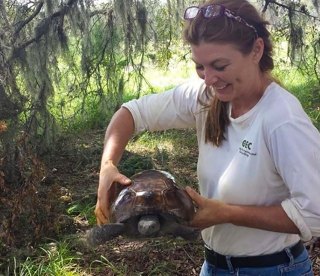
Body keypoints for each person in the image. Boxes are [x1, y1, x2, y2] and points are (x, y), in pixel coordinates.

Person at [94, 0, 320, 274]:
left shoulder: (281, 120)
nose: (209, 78)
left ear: (256, 50)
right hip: (215, 266)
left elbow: (314, 214)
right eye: (200, 66)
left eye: (220, 66)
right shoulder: (206, 97)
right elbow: (131, 113)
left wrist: (226, 213)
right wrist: (108, 166)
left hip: (273, 267)